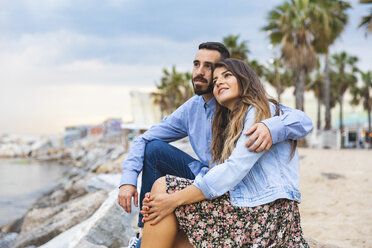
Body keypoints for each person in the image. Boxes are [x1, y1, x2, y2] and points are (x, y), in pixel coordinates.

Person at [118, 42, 313, 246]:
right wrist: (128, 180)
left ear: (241, 78)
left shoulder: (257, 110)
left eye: (211, 68)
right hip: (223, 187)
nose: (200, 72)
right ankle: (143, 237)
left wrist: (271, 128)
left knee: (165, 188)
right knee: (156, 152)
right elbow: (145, 138)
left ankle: (143, 242)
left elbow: (303, 121)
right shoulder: (201, 108)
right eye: (196, 64)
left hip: (256, 205)